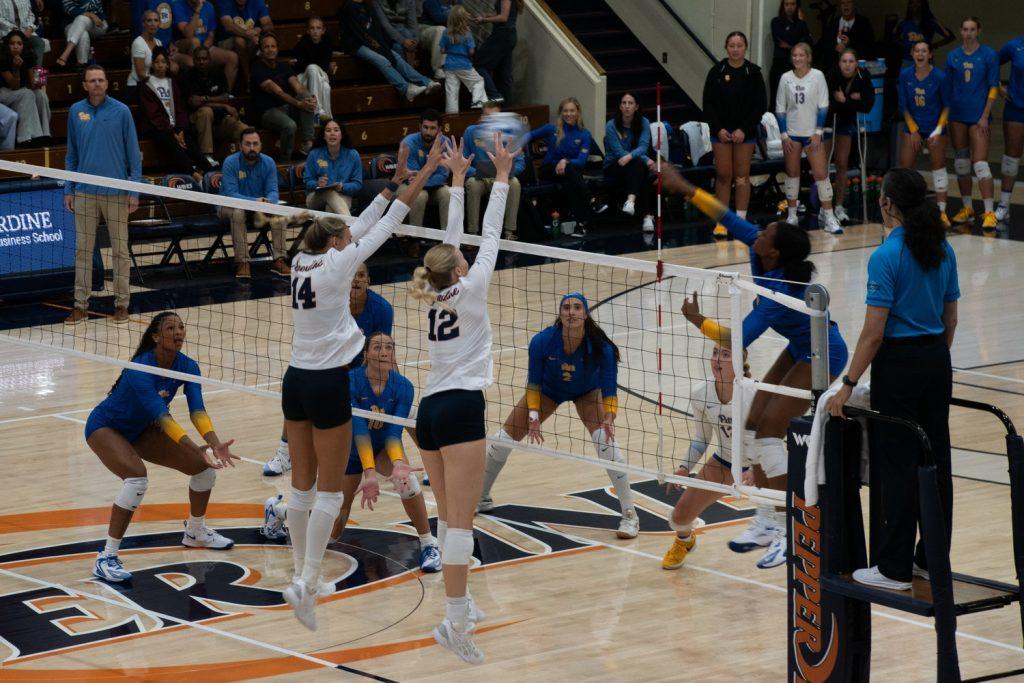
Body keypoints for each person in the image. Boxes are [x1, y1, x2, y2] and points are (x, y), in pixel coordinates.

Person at [279, 136, 443, 631]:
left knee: (300, 488)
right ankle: (306, 584)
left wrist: (391, 180)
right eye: (346, 238)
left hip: (295, 381)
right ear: (337, 244)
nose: (351, 241)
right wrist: (424, 172)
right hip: (329, 383)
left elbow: (362, 222)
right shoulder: (338, 263)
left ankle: (296, 573)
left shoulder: (299, 262)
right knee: (329, 492)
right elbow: (390, 222)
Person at [660, 163, 849, 570]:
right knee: (748, 427)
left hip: (825, 354)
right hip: (802, 346)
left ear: (774, 251)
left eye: (765, 234)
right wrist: (685, 188)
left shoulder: (780, 288)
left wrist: (699, 322)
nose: (758, 233)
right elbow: (726, 216)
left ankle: (787, 527)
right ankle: (764, 520)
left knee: (767, 434)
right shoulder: (764, 250)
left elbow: (739, 338)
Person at [406, 134, 514, 663]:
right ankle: (453, 623)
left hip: (428, 412)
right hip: (460, 408)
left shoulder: (431, 293)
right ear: (460, 270)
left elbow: (452, 246)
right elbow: (489, 234)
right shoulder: (469, 289)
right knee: (460, 526)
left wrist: (454, 181)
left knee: (449, 518)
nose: (470, 259)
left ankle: (463, 605)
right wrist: (501, 178)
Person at [826, 167, 959, 592]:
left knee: (899, 464)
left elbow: (873, 333)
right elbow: (950, 318)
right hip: (937, 360)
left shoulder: (886, 256)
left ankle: (895, 568)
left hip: (899, 366)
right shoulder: (943, 248)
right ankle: (929, 559)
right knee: (936, 460)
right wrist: (933, 357)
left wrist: (847, 383)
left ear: (888, 204)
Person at [84, 312, 239, 582]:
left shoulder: (188, 366)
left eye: (181, 327)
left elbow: (198, 411)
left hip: (142, 429)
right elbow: (163, 417)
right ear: (156, 336)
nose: (178, 332)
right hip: (106, 427)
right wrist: (195, 446)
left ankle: (195, 532)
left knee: (204, 470)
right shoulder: (140, 369)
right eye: (170, 328)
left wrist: (214, 443)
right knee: (136, 478)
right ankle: (106, 556)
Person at [478, 293, 639, 537]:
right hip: (548, 391)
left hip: (587, 391)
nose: (571, 312)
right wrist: (533, 416)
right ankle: (481, 496)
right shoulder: (542, 341)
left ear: (585, 314)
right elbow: (532, 384)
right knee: (502, 440)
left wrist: (610, 416)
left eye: (576, 308)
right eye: (566, 308)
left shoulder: (601, 347)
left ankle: (630, 515)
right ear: (560, 313)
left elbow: (609, 387)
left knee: (605, 442)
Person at [262, 259, 394, 477]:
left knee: (401, 397)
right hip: (329, 366)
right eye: (352, 276)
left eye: (361, 276)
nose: (356, 281)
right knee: (302, 392)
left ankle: (406, 454)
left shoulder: (382, 309)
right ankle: (285, 452)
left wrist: (389, 382)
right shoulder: (331, 305)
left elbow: (381, 347)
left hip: (363, 368)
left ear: (369, 280)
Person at [330, 332, 442, 573]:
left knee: (407, 481)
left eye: (389, 348)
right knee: (334, 528)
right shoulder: (350, 381)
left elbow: (393, 433)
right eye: (377, 347)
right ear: (366, 353)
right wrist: (369, 472)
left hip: (382, 446)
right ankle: (281, 511)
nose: (383, 352)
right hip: (347, 450)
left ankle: (429, 544)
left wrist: (399, 462)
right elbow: (359, 430)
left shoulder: (403, 387)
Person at [662, 346, 767, 569]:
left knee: (788, 520)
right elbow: (701, 439)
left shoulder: (754, 393)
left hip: (763, 465)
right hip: (725, 462)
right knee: (679, 517)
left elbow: (772, 436)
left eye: (726, 355)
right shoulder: (701, 392)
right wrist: (683, 467)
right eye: (715, 353)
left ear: (740, 361)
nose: (717, 360)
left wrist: (757, 467)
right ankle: (684, 541)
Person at [64, 65, 143, 325]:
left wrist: (134, 190)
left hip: (117, 192)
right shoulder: (76, 111)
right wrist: (69, 188)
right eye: (92, 80)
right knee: (83, 250)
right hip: (85, 192)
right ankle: (80, 305)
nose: (97, 84)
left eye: (101, 79)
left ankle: (121, 304)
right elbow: (72, 155)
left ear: (107, 83)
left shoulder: (121, 112)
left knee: (120, 250)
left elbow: (134, 155)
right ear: (85, 85)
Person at [702, 32, 766, 238]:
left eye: (739, 45)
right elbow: (708, 104)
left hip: (744, 133)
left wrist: (744, 130)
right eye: (732, 45)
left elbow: (760, 106)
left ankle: (740, 220)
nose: (735, 49)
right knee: (723, 175)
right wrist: (719, 129)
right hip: (720, 132)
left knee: (742, 177)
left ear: (745, 48)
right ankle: (722, 222)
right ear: (726, 47)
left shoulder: (753, 72)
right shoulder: (716, 71)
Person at [776, 43, 843, 234]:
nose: (797, 59)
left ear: (808, 57)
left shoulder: (818, 76)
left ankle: (829, 217)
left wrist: (818, 132)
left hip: (812, 134)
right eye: (794, 55)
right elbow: (780, 108)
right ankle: (792, 215)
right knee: (792, 173)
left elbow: (824, 105)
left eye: (801, 55)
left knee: (821, 174)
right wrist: (784, 135)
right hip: (791, 134)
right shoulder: (785, 78)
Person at [945, 17, 1000, 230]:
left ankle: (989, 211)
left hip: (978, 116)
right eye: (965, 29)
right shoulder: (953, 56)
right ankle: (967, 208)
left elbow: (994, 87)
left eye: (972, 29)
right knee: (961, 163)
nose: (968, 33)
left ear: (978, 31)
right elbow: (947, 88)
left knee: (980, 164)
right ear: (961, 31)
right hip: (957, 114)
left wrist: (985, 115)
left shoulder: (989, 55)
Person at [218, 127, 287, 279]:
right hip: (228, 206)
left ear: (260, 145)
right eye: (248, 144)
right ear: (240, 146)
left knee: (279, 211)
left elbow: (273, 191)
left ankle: (279, 260)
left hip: (258, 207)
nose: (251, 148)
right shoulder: (230, 162)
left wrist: (269, 201)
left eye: (255, 144)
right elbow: (231, 194)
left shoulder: (268, 162)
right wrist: (254, 201)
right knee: (238, 212)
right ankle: (243, 262)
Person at [339, 0, 438, 103]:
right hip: (357, 44)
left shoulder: (367, 6)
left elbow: (376, 29)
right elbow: (359, 33)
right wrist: (378, 47)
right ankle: (406, 88)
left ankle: (426, 82)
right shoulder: (348, 7)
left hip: (373, 43)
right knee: (382, 59)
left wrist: (382, 46)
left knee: (395, 56)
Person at [138, 48, 210, 185]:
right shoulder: (145, 85)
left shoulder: (173, 83)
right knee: (170, 142)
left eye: (163, 61)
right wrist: (172, 132)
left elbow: (181, 109)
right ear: (152, 64)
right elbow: (153, 115)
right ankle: (193, 173)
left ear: (167, 64)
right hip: (157, 129)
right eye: (157, 61)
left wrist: (181, 130)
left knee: (189, 141)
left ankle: (210, 171)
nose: (160, 65)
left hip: (175, 128)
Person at [898, 40, 951, 224]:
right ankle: (906, 210)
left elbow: (947, 106)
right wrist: (913, 130)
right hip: (913, 127)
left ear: (930, 55)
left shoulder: (940, 76)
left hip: (935, 127)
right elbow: (903, 105)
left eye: (924, 51)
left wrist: (937, 131)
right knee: (905, 169)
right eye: (917, 51)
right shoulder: (905, 75)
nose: (920, 54)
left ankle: (942, 211)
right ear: (912, 54)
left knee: (938, 166)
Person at [528, 96, 594, 231]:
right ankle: (590, 202)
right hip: (548, 169)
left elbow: (581, 162)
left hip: (569, 171)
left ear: (578, 112)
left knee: (570, 178)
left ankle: (577, 223)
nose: (568, 114)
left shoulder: (584, 134)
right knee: (572, 174)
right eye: (565, 111)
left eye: (572, 111)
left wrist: (565, 161)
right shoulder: (551, 128)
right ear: (561, 113)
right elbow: (528, 136)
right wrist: (514, 147)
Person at [827, 48, 875, 225]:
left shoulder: (863, 76)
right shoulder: (832, 74)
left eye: (851, 61)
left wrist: (845, 100)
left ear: (856, 64)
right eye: (844, 61)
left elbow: (867, 105)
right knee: (823, 165)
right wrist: (853, 100)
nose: (847, 65)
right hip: (828, 122)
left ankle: (839, 206)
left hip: (845, 122)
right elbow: (829, 101)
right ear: (839, 63)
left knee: (842, 163)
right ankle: (822, 206)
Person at [250, 32, 316, 161]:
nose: (270, 50)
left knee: (306, 97)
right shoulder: (257, 68)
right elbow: (278, 92)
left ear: (277, 49)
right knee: (290, 125)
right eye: (266, 47)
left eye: (273, 46)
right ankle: (285, 161)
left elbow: (298, 87)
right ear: (261, 50)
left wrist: (310, 98)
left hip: (287, 108)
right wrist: (298, 104)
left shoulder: (283, 66)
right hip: (268, 112)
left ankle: (307, 143)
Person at [464, 101, 523, 239]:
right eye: (486, 116)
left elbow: (520, 162)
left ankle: (509, 232)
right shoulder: (470, 132)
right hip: (479, 178)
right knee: (473, 184)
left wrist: (506, 172)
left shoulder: (509, 134)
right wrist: (477, 172)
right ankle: (472, 233)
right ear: (481, 118)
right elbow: (463, 162)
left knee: (514, 183)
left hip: (502, 177)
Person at [183, 44, 246, 169]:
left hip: (219, 121)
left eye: (204, 59)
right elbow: (194, 102)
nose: (202, 62)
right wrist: (222, 105)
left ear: (209, 60)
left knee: (243, 128)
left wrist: (205, 99)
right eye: (198, 59)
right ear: (194, 60)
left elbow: (226, 97)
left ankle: (247, 159)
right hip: (196, 122)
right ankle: (207, 157)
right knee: (206, 111)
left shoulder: (218, 74)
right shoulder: (187, 76)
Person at [603, 92, 655, 233]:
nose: (627, 106)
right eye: (624, 103)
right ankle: (647, 216)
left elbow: (644, 146)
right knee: (641, 166)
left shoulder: (643, 122)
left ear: (636, 107)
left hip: (633, 165)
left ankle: (631, 201)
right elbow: (619, 152)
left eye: (630, 103)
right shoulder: (611, 125)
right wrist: (645, 159)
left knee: (639, 167)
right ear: (620, 106)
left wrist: (632, 157)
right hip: (613, 165)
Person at [172, 0, 239, 91]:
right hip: (182, 45)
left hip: (204, 46)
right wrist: (198, 10)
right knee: (195, 41)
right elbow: (188, 33)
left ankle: (224, 94)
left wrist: (203, 50)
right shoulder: (177, 4)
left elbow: (211, 34)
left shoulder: (208, 6)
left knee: (232, 57)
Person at [402, 109, 452, 228]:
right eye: (425, 127)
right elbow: (412, 176)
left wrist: (422, 180)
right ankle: (413, 239)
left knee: (447, 193)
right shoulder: (409, 143)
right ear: (420, 126)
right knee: (420, 195)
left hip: (434, 186)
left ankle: (448, 240)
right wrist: (421, 179)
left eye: (432, 128)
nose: (428, 131)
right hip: (407, 186)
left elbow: (443, 175)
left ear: (439, 129)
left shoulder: (445, 143)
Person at [0, 30, 50, 145]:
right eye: (12, 44)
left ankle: (45, 134)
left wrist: (39, 81)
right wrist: (16, 69)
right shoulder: (2, 57)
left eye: (19, 44)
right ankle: (25, 137)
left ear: (23, 45)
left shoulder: (28, 56)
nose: (16, 47)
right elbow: (14, 86)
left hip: (20, 92)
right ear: (7, 45)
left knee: (40, 95)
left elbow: (33, 85)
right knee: (27, 93)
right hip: (4, 92)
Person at [304, 119, 362, 216]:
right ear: (324, 136)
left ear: (341, 134)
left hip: (343, 195)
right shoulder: (314, 154)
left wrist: (342, 186)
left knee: (330, 209)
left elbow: (357, 184)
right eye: (328, 130)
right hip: (316, 197)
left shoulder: (353, 155)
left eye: (336, 130)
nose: (332, 133)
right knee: (329, 192)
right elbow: (307, 181)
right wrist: (317, 183)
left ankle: (343, 229)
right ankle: (351, 226)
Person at [997, 35, 1024, 224]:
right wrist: (998, 87)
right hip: (1016, 108)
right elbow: (993, 63)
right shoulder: (1014, 45)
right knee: (1011, 157)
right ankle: (1004, 206)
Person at [216, 0, 273, 91]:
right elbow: (228, 26)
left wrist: (259, 29)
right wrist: (248, 35)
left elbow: (269, 24)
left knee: (264, 41)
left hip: (250, 40)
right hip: (226, 41)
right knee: (240, 41)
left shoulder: (257, 1)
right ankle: (248, 78)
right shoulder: (225, 1)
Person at [440, 5, 485, 113]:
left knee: (452, 93)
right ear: (463, 18)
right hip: (464, 65)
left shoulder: (446, 32)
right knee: (478, 81)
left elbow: (442, 50)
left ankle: (452, 118)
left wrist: (451, 50)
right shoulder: (467, 34)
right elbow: (471, 51)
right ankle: (477, 104)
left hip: (449, 65)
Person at [473, 0, 520, 104]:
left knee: (479, 64)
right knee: (503, 74)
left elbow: (503, 17)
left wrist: (484, 20)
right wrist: (488, 15)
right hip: (509, 35)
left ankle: (495, 96)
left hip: (502, 34)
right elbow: (503, 13)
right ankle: (506, 107)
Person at [292, 16, 335, 121]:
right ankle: (316, 110)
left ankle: (327, 120)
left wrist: (310, 62)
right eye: (312, 28)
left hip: (319, 75)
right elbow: (299, 66)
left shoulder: (327, 42)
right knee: (312, 68)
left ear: (323, 30)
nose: (315, 31)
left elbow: (324, 65)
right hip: (303, 78)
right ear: (307, 31)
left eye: (318, 28)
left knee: (325, 87)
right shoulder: (302, 43)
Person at [769, 0, 811, 105]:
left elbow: (808, 43)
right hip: (779, 66)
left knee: (794, 101)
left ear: (797, 6)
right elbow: (782, 39)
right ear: (782, 6)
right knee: (777, 101)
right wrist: (797, 43)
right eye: (786, 4)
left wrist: (789, 46)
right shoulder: (776, 22)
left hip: (796, 67)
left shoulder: (801, 23)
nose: (789, 7)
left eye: (792, 4)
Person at [892, 0, 953, 68]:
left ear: (923, 5)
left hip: (925, 62)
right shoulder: (903, 23)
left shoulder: (930, 22)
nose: (914, 5)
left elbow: (950, 36)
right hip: (907, 61)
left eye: (918, 2)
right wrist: (903, 44)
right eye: (912, 3)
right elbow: (894, 37)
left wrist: (935, 45)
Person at [817, 0, 874, 70]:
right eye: (843, 3)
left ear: (854, 5)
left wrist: (850, 44)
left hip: (857, 69)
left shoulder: (864, 23)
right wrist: (835, 47)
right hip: (834, 69)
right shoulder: (833, 23)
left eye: (848, 2)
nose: (845, 5)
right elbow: (824, 44)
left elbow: (869, 47)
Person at [57, 0, 108, 68]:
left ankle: (66, 52)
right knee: (83, 33)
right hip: (71, 24)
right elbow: (71, 10)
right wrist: (90, 14)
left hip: (96, 25)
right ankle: (82, 64)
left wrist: (92, 16)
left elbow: (99, 13)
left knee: (82, 18)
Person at [419, 0, 460, 79]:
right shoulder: (431, 1)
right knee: (441, 29)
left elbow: (461, 18)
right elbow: (439, 18)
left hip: (445, 31)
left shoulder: (455, 2)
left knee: (459, 32)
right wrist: (456, 12)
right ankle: (438, 68)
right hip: (426, 29)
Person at [0, 0, 48, 67]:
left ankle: (36, 72)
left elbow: (31, 15)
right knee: (13, 45)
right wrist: (15, 29)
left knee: (39, 42)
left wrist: (30, 28)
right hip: (7, 32)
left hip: (25, 31)